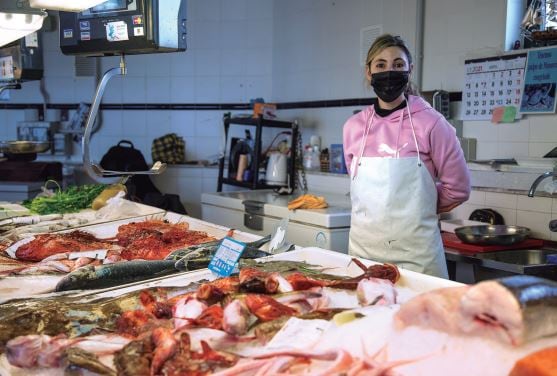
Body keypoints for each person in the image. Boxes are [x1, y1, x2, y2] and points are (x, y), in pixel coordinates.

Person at [342, 34, 471, 278]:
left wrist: (418, 206)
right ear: (368, 72)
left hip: (418, 259)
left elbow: (459, 189)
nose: (389, 71)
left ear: (409, 70)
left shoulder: (432, 123)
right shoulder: (353, 127)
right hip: (363, 256)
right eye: (380, 65)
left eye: (398, 65)